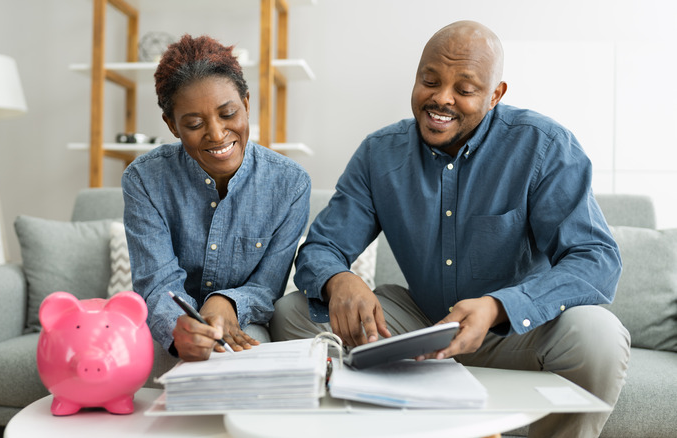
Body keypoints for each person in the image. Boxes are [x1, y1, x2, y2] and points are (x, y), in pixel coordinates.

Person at [270, 21, 630, 437]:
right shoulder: (378, 154)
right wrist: (339, 279)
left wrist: (498, 306)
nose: (442, 98)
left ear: (495, 95)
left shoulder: (544, 146)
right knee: (292, 314)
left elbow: (596, 259)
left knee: (598, 336)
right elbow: (322, 247)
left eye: (465, 88)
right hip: (421, 324)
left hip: (512, 331)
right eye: (430, 80)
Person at [123, 34, 311, 362]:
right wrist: (176, 325)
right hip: (170, 323)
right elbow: (156, 284)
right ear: (172, 125)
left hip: (243, 320)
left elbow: (267, 287)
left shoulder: (290, 185)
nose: (217, 133)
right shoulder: (144, 179)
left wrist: (225, 302)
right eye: (194, 124)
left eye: (228, 113)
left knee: (238, 361)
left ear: (247, 104)